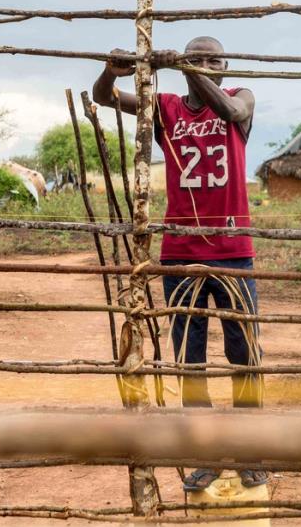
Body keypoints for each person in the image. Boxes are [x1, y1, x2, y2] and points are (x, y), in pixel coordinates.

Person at [93, 35, 266, 492]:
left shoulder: (239, 99)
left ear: (226, 67)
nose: (208, 65)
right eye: (199, 58)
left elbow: (232, 115)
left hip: (234, 252)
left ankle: (250, 452)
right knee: (190, 359)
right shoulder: (166, 107)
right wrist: (113, 70)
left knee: (243, 353)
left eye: (214, 60)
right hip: (180, 253)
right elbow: (104, 98)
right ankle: (207, 455)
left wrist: (187, 67)